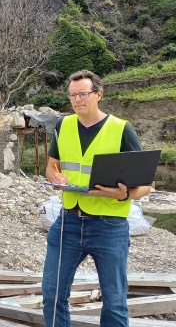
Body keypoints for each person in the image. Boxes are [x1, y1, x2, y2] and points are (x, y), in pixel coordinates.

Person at [42, 69, 151, 327]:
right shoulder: (63, 125)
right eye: (72, 95)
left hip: (109, 225)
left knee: (114, 302)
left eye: (83, 94)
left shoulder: (121, 129)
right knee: (52, 293)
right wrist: (55, 177)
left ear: (98, 95)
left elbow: (146, 184)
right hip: (68, 222)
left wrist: (125, 195)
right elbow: (51, 165)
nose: (77, 99)